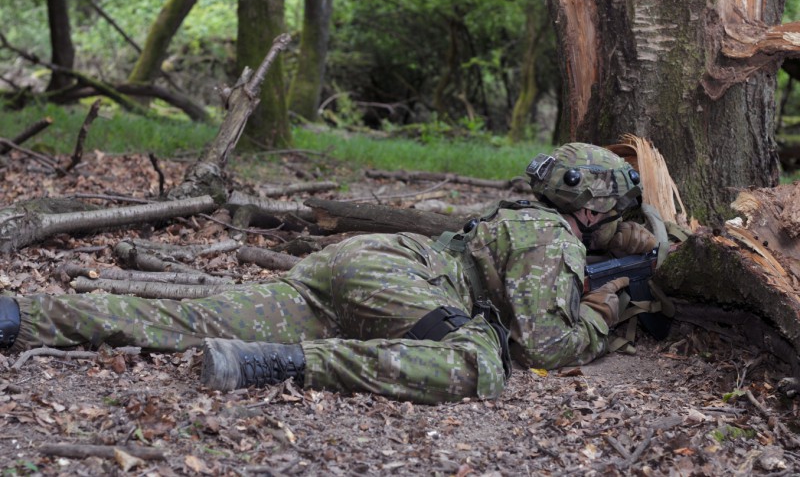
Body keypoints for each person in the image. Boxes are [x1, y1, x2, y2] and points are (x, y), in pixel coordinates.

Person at [0, 143, 658, 404]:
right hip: (398, 284)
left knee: (186, 319)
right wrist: (601, 320)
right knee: (476, 364)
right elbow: (545, 347)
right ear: (593, 210)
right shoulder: (554, 239)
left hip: (357, 265)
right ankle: (284, 363)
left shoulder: (520, 217)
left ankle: (18, 315)